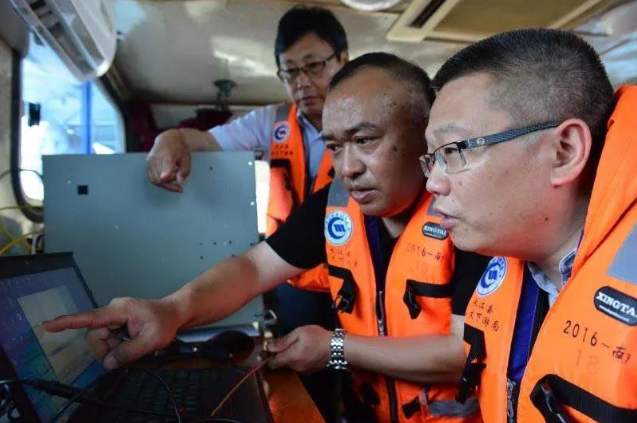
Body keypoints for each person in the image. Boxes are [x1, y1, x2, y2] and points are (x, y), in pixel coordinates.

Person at [45, 53, 490, 423]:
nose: (347, 168)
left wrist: (334, 349)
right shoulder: (335, 206)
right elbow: (253, 267)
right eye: (335, 147)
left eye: (365, 140)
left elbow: (461, 353)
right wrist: (171, 310)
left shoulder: (469, 218)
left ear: (425, 134)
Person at [423, 28, 637, 422]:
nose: (433, 183)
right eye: (432, 158)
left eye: (453, 151)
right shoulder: (510, 256)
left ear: (564, 152)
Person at [146, 6, 348, 417]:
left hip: (356, 278)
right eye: (290, 71)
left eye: (313, 66)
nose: (302, 82)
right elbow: (204, 141)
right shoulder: (270, 122)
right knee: (307, 390)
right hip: (292, 280)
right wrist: (169, 138)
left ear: (342, 59)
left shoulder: (367, 119)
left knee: (357, 375)